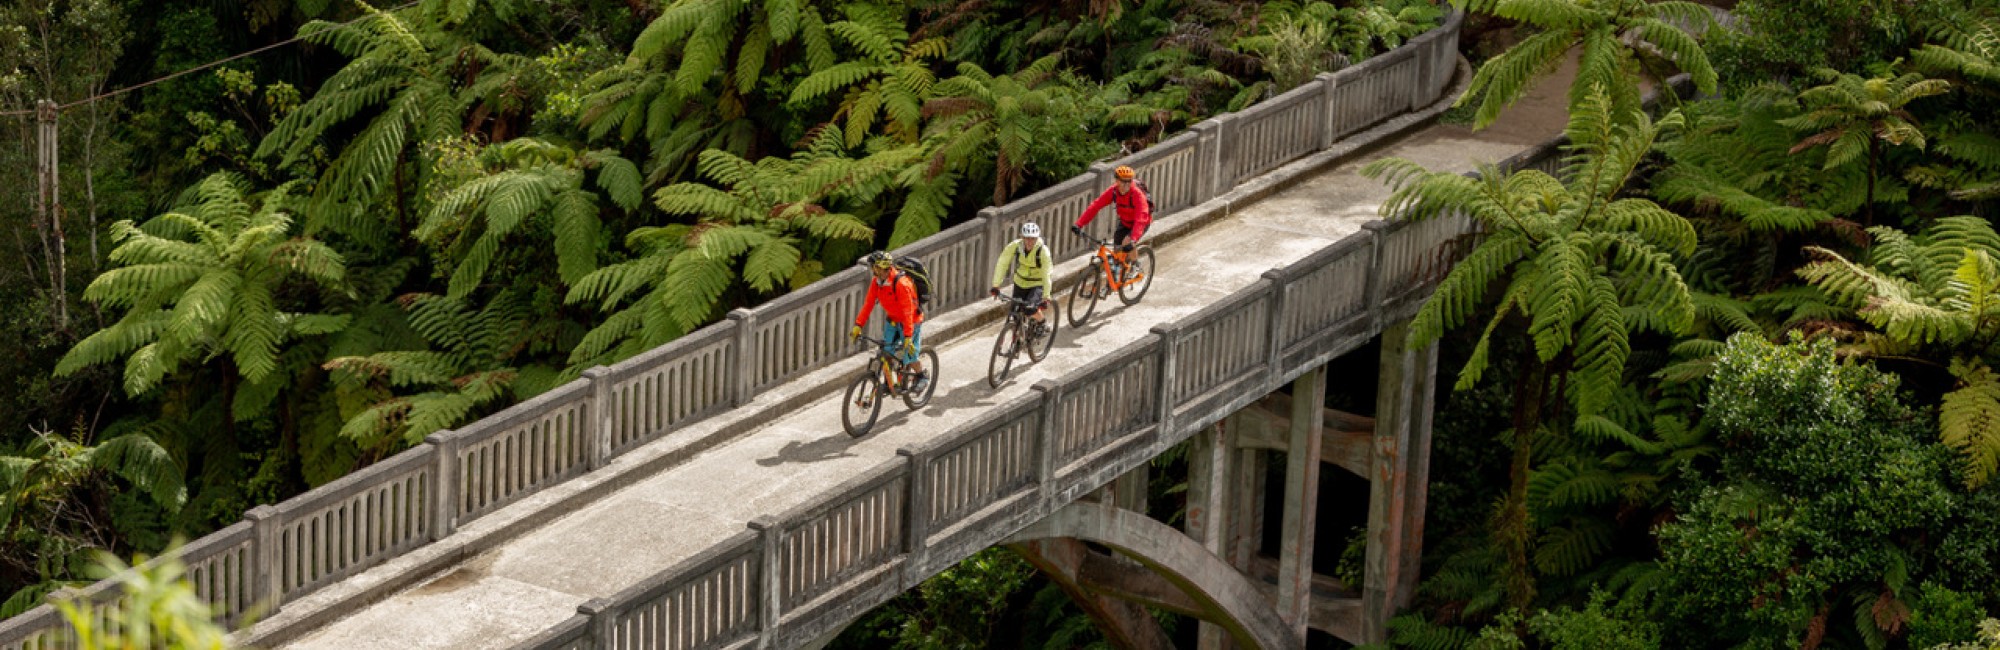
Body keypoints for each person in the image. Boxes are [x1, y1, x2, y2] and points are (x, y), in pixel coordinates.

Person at [850, 251, 928, 393]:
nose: (872, 270)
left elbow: (908, 312)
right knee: (886, 351)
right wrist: (858, 325)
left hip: (911, 321)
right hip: (892, 320)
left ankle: (921, 376)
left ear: (880, 268)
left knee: (910, 355)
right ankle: (889, 382)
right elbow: (868, 304)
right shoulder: (877, 282)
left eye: (874, 267)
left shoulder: (901, 284)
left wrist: (908, 336)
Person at [1072, 165, 1151, 288]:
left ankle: (1136, 265)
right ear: (1117, 181)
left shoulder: (1137, 194)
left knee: (1127, 242)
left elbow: (1141, 218)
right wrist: (1079, 224)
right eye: (1123, 181)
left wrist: (1133, 239)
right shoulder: (1113, 191)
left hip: (1141, 222)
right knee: (1116, 252)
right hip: (1125, 222)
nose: (1126, 185)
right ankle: (1114, 279)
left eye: (1129, 181)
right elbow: (1096, 206)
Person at [989, 222, 1055, 338]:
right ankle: (1018, 339)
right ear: (1022, 237)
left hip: (1037, 283)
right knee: (1015, 313)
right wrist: (996, 285)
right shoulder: (1015, 246)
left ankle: (1042, 323)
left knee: (1030, 309)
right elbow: (1002, 263)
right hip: (1020, 282)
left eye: (1032, 239)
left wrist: (1046, 296)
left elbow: (1047, 274)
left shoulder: (1043, 251)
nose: (1029, 242)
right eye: (1027, 238)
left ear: (1037, 238)